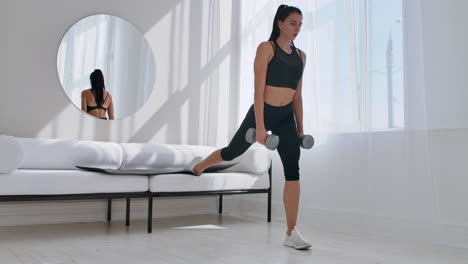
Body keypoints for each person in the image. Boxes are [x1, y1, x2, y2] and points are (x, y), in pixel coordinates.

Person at [188, 5, 311, 249]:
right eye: (292, 23)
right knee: (232, 152)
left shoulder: (301, 56)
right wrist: (261, 128)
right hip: (263, 111)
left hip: (286, 116)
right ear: (280, 23)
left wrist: (300, 129)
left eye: (300, 24)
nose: (297, 28)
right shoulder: (266, 49)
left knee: (293, 169)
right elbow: (258, 90)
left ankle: (291, 232)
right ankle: (200, 165)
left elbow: (297, 95)